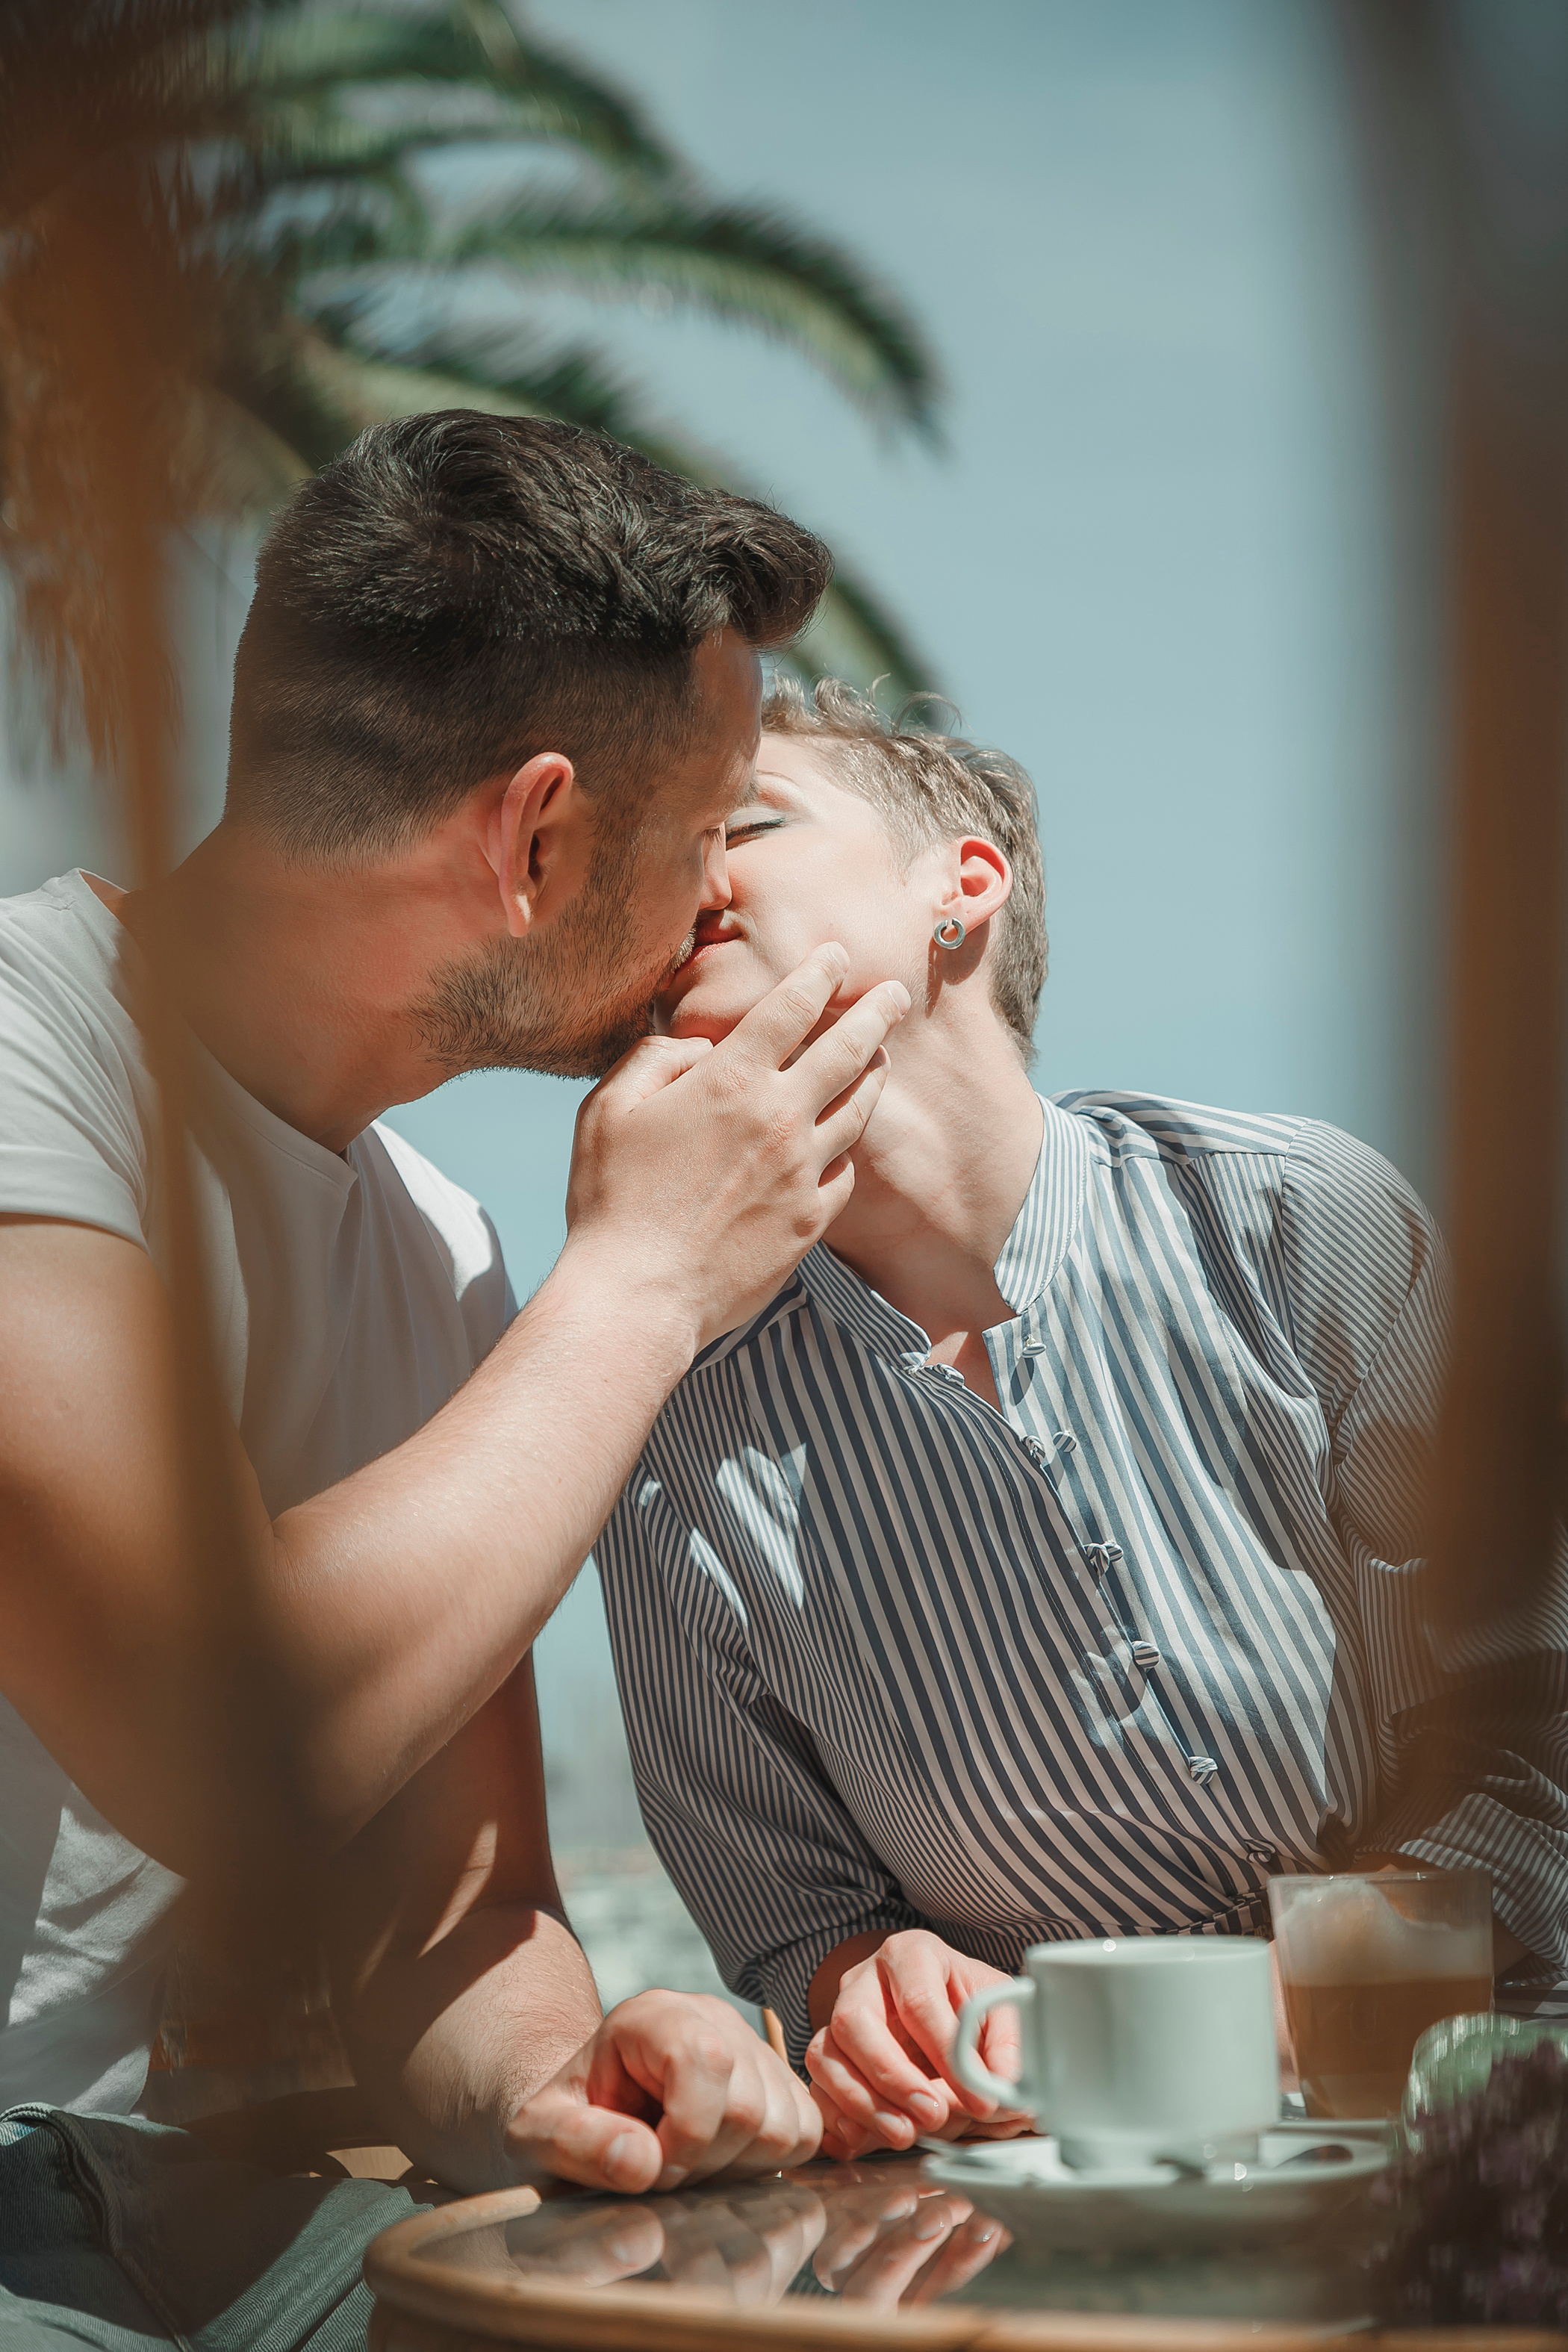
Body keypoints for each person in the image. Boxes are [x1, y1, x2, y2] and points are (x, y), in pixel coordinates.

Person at [0, 414, 912, 2346]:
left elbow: (461, 1910)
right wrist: (649, 1279)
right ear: (539, 839)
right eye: (709, 833)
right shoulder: (27, 1069)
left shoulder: (443, 1247)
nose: (715, 910)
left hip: (208, 2210)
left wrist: (560, 2077)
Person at [594, 676, 1568, 2164]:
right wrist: (868, 1990)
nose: (685, 880)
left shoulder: (1302, 1226)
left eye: (746, 825)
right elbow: (798, 1922)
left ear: (962, 885)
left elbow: (1535, 1735)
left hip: (1480, 2146)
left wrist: (1263, 2029)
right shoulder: (673, 1442)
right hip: (1055, 2186)